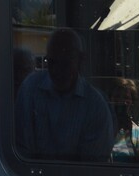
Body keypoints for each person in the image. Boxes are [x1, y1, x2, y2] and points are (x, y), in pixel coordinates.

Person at [14, 27, 114, 162]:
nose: (57, 71)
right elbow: (20, 150)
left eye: (65, 63)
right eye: (52, 62)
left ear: (81, 61)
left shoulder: (96, 106)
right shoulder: (30, 89)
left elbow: (93, 167)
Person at [109, 77, 139, 161]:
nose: (121, 101)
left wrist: (130, 134)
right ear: (110, 99)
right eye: (117, 97)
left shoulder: (137, 131)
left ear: (131, 102)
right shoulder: (103, 127)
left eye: (125, 98)